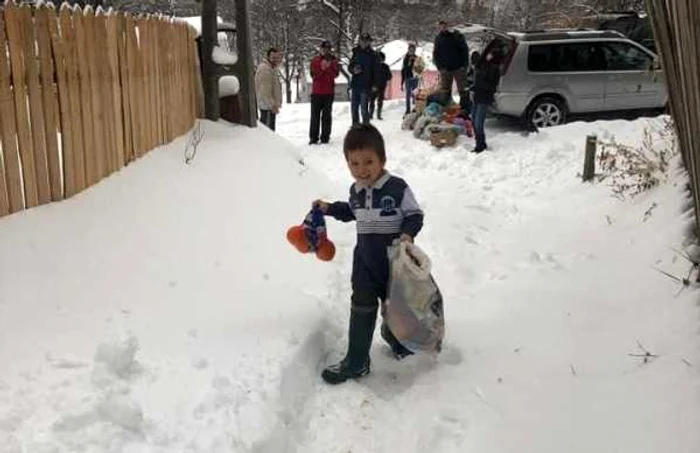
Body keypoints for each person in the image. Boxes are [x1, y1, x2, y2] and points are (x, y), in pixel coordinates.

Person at [313, 124, 424, 385]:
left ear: (382, 160)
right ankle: (357, 361)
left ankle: (397, 337)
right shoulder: (356, 191)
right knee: (361, 308)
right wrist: (328, 208)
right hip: (364, 261)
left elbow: (415, 214)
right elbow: (351, 212)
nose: (362, 170)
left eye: (369, 162)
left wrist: (407, 234)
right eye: (354, 164)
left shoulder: (397, 188)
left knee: (395, 306)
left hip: (393, 262)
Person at [433, 19, 470, 111]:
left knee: (463, 90)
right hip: (445, 69)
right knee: (445, 90)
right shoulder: (438, 38)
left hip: (458, 68)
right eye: (441, 26)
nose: (443, 27)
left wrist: (464, 65)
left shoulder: (457, 35)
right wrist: (440, 67)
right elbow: (436, 54)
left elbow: (465, 50)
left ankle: (465, 110)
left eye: (445, 25)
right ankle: (446, 109)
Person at [471, 48, 503, 153]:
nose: (488, 56)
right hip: (478, 96)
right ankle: (480, 143)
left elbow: (492, 86)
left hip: (484, 98)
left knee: (478, 123)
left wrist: (479, 86)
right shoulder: (483, 65)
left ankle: (480, 145)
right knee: (474, 120)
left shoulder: (494, 68)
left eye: (490, 55)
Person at [309, 40, 340, 144]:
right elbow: (314, 75)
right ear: (320, 49)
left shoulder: (334, 61)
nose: (326, 51)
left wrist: (328, 68)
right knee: (315, 116)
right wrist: (322, 69)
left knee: (327, 116)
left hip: (328, 92)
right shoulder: (315, 60)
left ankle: (325, 137)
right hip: (317, 92)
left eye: (328, 49)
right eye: (324, 49)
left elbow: (336, 74)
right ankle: (313, 138)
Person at [349, 32, 381, 125]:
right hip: (355, 85)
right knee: (354, 109)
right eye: (362, 41)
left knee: (364, 110)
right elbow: (350, 66)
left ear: (369, 42)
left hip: (366, 86)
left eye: (366, 41)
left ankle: (366, 130)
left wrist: (375, 84)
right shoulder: (355, 52)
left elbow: (377, 71)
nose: (364, 42)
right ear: (360, 41)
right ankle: (355, 129)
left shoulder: (374, 55)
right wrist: (353, 70)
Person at [255, 47, 283, 131]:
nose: (276, 60)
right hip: (267, 107)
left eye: (277, 58)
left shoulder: (272, 68)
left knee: (270, 131)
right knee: (268, 131)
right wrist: (272, 105)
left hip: (269, 106)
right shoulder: (265, 70)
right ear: (268, 57)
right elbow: (264, 91)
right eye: (273, 57)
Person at [400, 43, 424, 115]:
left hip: (415, 78)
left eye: (413, 50)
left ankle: (416, 108)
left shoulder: (417, 58)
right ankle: (407, 110)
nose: (411, 51)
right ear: (408, 50)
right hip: (407, 78)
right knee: (408, 94)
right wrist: (402, 82)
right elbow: (403, 70)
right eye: (410, 49)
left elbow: (421, 68)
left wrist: (419, 74)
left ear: (415, 50)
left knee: (415, 94)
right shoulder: (405, 58)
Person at [369, 52, 392, 120]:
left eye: (381, 58)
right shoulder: (372, 66)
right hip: (374, 86)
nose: (379, 60)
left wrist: (384, 77)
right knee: (372, 100)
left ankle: (378, 115)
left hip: (382, 86)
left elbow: (390, 76)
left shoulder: (385, 66)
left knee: (380, 101)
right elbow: (370, 76)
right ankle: (370, 114)